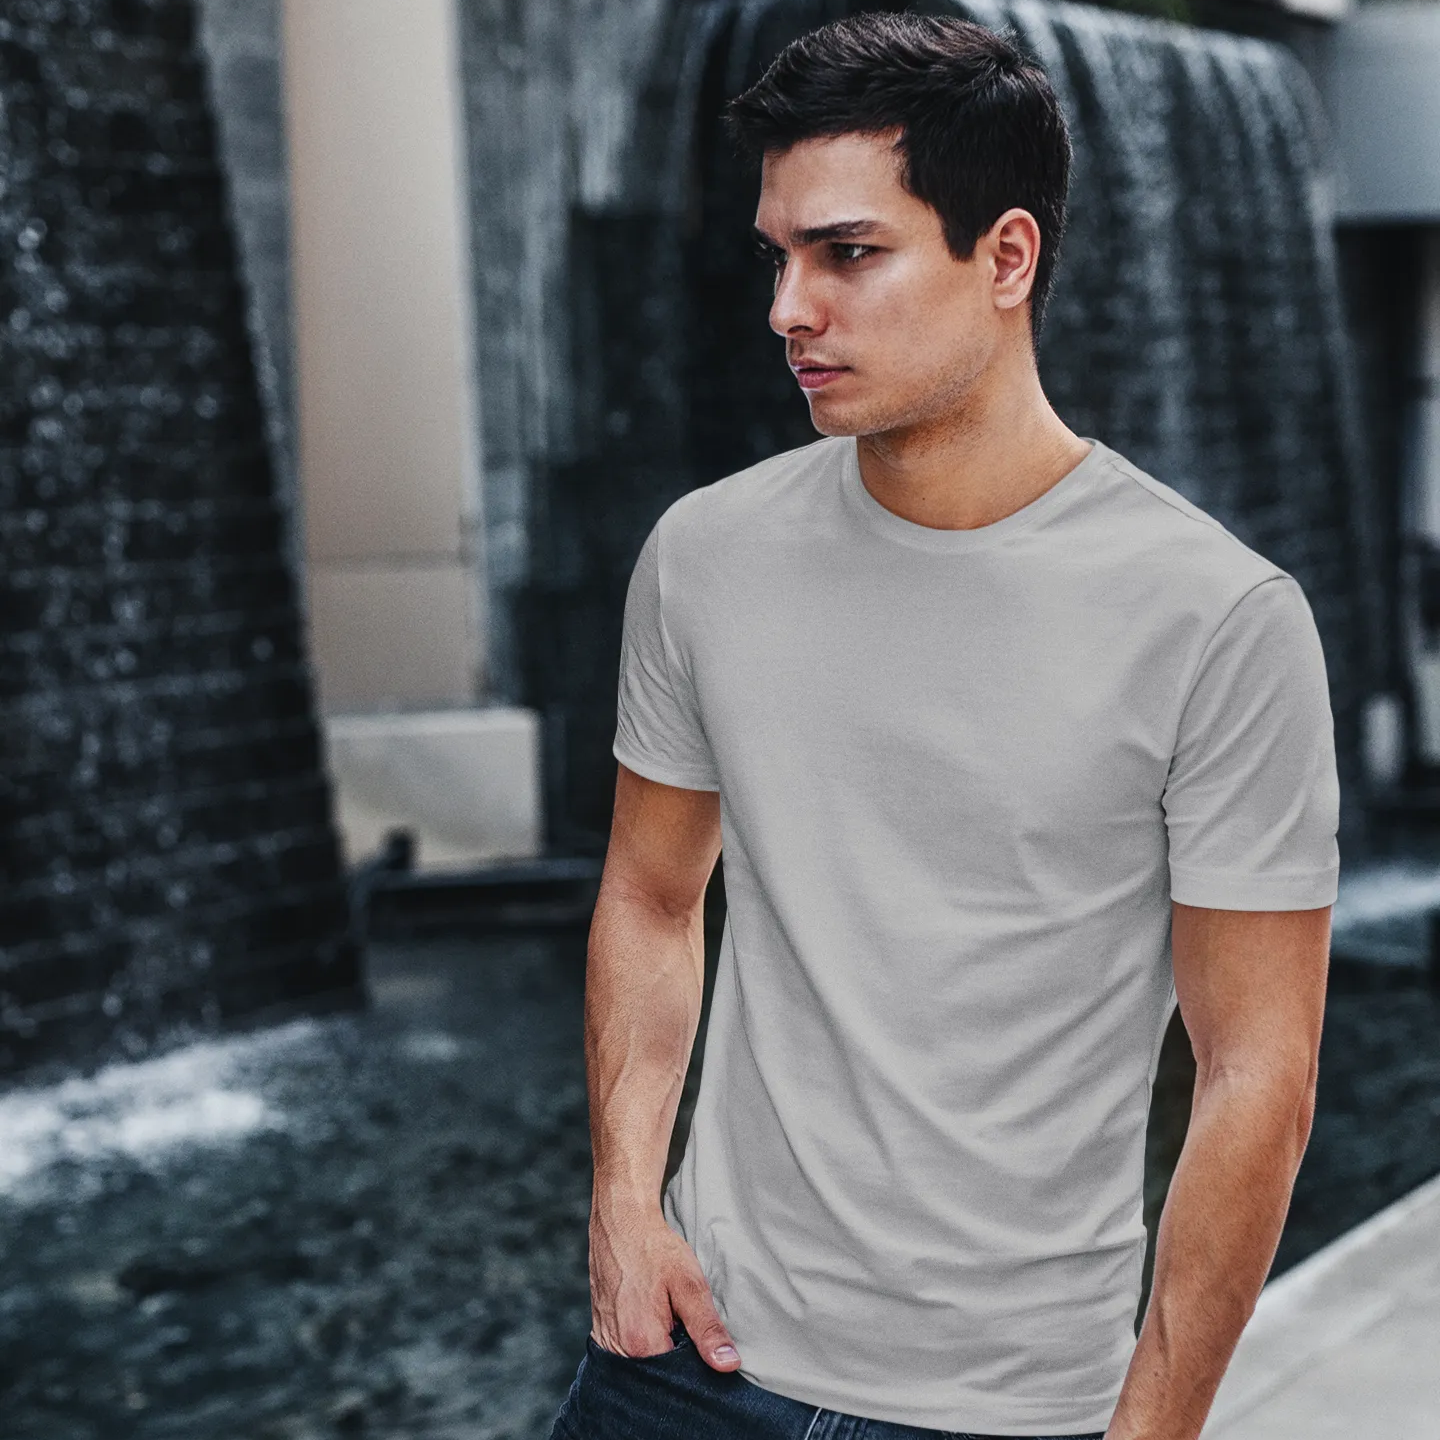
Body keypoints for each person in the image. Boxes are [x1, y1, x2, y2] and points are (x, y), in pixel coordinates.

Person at [548, 12, 1339, 1440]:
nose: (790, 308)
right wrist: (623, 1203)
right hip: (679, 1367)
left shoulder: (1219, 620)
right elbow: (655, 897)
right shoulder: (703, 556)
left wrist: (1151, 1428)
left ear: (1009, 258)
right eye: (777, 258)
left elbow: (1257, 1075)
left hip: (1004, 1411)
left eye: (848, 255)